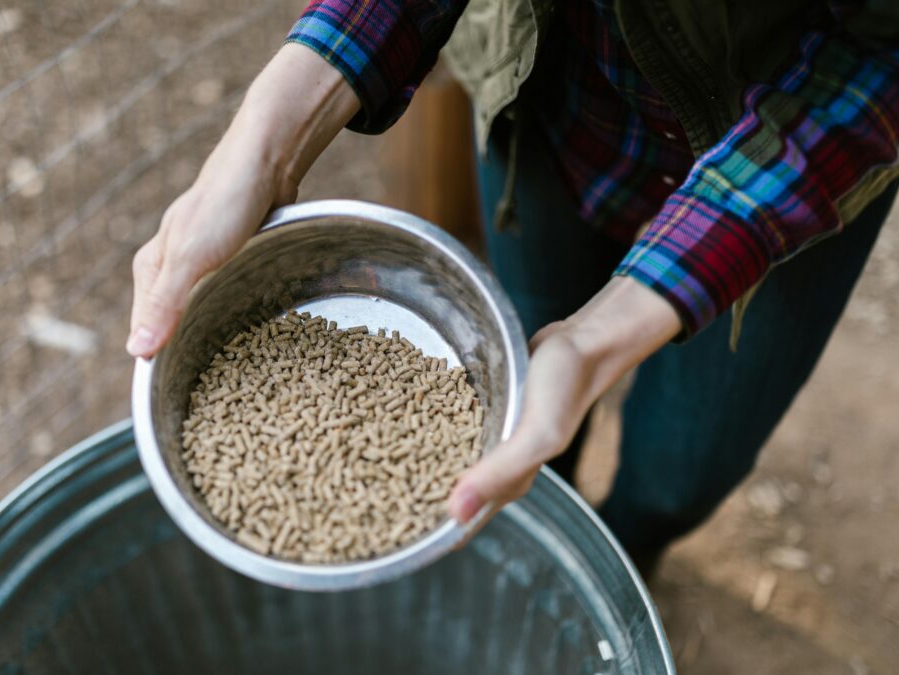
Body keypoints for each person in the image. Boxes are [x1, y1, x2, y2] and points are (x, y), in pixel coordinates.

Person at [126, 0, 899, 576]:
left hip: (784, 176)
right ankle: (527, 538)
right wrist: (263, 144)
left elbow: (879, 59)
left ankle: (626, 551)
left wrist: (596, 341)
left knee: (683, 470)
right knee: (524, 389)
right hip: (554, 103)